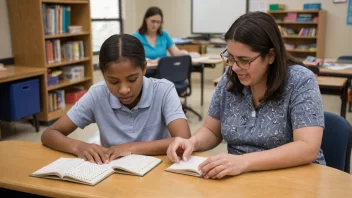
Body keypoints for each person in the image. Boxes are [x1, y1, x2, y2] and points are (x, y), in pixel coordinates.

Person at [167, 12, 326, 179]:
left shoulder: (301, 81)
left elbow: (307, 148)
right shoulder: (229, 79)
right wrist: (192, 142)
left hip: (295, 178)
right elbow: (211, 131)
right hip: (241, 178)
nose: (235, 67)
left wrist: (244, 162)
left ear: (271, 55)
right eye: (230, 58)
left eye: (244, 60)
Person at [41, 34, 191, 164]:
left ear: (144, 68)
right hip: (112, 173)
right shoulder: (97, 94)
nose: (123, 90)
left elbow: (183, 139)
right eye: (113, 82)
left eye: (132, 79)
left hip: (156, 173)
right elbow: (49, 134)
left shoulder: (164, 90)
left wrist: (130, 148)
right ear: (103, 75)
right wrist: (80, 147)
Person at [132, 6, 188, 77]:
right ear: (146, 20)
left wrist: (186, 53)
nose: (155, 25)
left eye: (158, 22)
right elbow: (132, 58)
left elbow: (176, 53)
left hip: (163, 73)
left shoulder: (164, 35)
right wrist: (147, 60)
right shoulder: (136, 36)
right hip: (145, 74)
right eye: (153, 21)